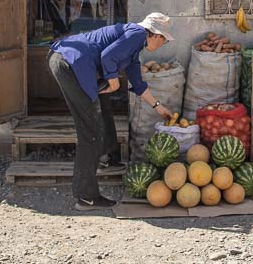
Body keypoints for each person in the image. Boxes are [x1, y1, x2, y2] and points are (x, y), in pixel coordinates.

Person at [48, 12, 175, 210]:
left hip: (70, 62)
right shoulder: (137, 34)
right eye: (164, 41)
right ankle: (86, 196)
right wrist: (113, 80)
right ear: (156, 35)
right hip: (70, 64)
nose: (163, 44)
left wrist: (158, 108)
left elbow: (138, 83)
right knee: (90, 133)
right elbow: (108, 56)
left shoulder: (134, 49)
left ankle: (108, 158)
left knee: (104, 105)